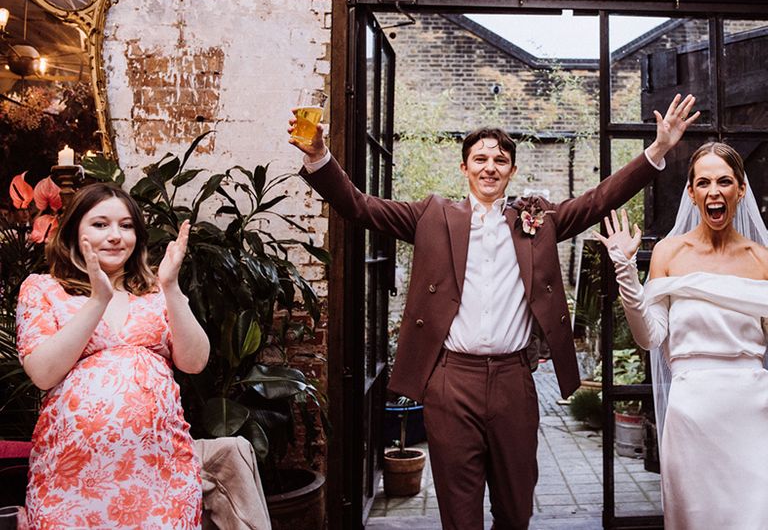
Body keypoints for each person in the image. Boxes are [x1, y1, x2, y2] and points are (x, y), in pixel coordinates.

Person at [289, 94, 698, 530]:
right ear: (464, 168)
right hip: (450, 383)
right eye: (480, 159)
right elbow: (359, 206)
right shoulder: (432, 216)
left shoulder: (537, 220)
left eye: (500, 160)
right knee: (459, 514)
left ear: (512, 171)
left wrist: (658, 149)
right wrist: (319, 156)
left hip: (514, 383)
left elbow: (599, 199)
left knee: (515, 508)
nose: (490, 167)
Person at [593, 142, 768, 529]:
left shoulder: (763, 259)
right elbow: (649, 336)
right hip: (692, 415)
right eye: (703, 182)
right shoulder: (669, 253)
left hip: (754, 415)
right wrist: (624, 271)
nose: (714, 191)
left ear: (741, 189)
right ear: (691, 193)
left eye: (724, 181)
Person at [16, 183, 210, 529]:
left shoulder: (155, 292)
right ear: (75, 230)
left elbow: (194, 362)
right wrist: (98, 301)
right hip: (71, 481)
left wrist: (171, 286)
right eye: (100, 224)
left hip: (160, 477)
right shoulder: (43, 288)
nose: (115, 235)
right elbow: (43, 373)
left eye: (126, 225)